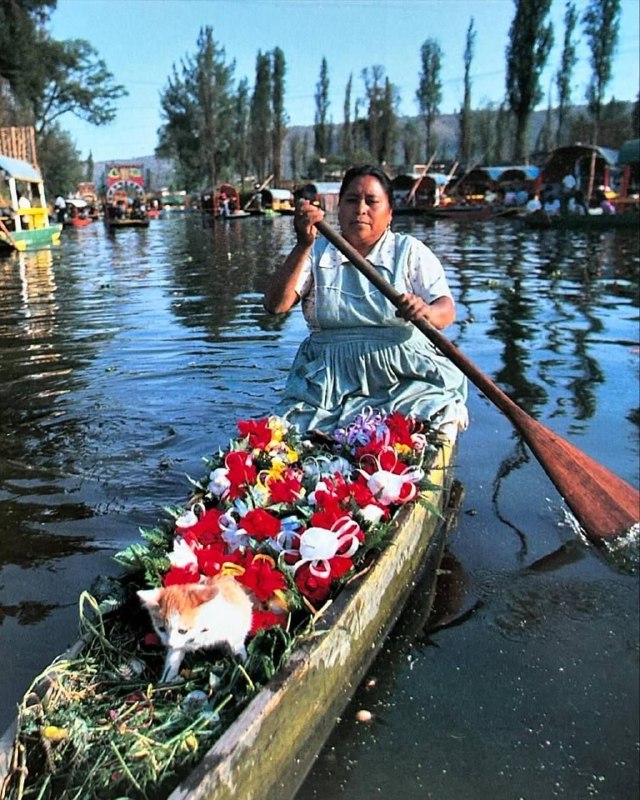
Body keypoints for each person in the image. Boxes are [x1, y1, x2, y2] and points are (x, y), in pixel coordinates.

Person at [263, 164, 468, 438]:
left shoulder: (409, 251)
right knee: (289, 432)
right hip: (327, 377)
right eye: (351, 200)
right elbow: (275, 306)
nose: (360, 209)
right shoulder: (315, 251)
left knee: (433, 416)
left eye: (372, 202)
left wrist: (426, 311)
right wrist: (302, 244)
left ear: (390, 213)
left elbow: (446, 311)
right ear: (339, 208)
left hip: (401, 373)